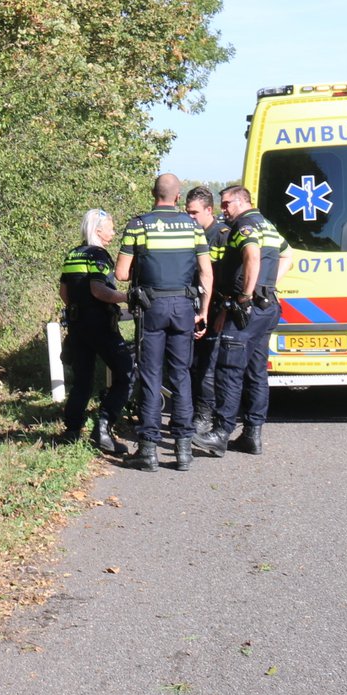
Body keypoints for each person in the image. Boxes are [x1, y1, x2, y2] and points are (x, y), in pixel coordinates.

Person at [114, 174, 212, 472]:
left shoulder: (138, 225)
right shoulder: (194, 227)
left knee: (150, 375)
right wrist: (203, 310)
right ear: (178, 196)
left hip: (152, 307)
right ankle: (183, 451)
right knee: (181, 374)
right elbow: (206, 273)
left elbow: (120, 273)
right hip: (184, 307)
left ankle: (148, 450)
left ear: (152, 193)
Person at [194, 185, 289, 457]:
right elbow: (287, 255)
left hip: (247, 310)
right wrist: (267, 286)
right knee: (256, 372)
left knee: (228, 369)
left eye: (226, 204)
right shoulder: (268, 225)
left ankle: (221, 432)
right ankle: (251, 434)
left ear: (241, 202)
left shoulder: (245, 225)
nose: (223, 210)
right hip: (268, 307)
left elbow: (251, 255)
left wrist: (246, 295)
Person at [57, 209, 132, 454]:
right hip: (100, 324)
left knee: (82, 381)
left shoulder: (73, 253)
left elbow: (64, 293)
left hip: (77, 326)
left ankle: (71, 432)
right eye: (110, 227)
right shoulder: (99, 255)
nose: (113, 231)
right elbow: (98, 290)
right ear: (98, 230)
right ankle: (103, 428)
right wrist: (127, 297)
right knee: (125, 374)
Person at [184, 186, 229, 436]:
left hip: (215, 308)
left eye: (194, 212)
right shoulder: (189, 235)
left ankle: (205, 415)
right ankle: (193, 412)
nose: (190, 217)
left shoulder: (221, 235)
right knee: (192, 364)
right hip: (192, 308)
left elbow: (229, 276)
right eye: (187, 212)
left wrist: (220, 311)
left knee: (209, 368)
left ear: (209, 210)